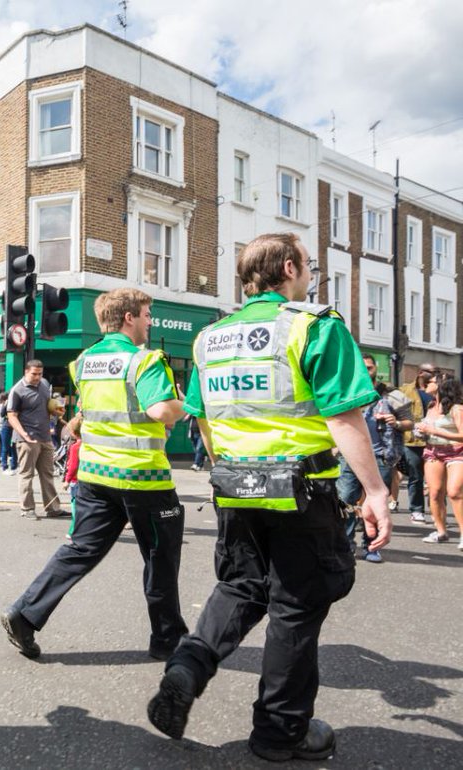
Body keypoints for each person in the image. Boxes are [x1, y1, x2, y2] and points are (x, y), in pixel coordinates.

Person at [147, 232, 391, 762]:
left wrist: (226, 469)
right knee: (296, 606)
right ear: (288, 268)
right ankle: (281, 732)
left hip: (235, 488)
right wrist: (375, 490)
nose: (310, 275)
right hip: (302, 491)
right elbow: (344, 416)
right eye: (308, 265)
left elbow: (204, 420)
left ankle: (187, 667)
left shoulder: (208, 339)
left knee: (240, 586)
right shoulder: (314, 327)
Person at [1, 288, 187, 663]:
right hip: (143, 479)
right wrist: (188, 402)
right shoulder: (145, 361)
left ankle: (24, 614)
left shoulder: (83, 362)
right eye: (147, 315)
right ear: (129, 317)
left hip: (95, 476)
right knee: (160, 559)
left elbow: (87, 415)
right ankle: (168, 640)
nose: (150, 322)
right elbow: (162, 412)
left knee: (79, 551)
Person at [337, 356, 411, 564]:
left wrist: (395, 422)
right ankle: (346, 545)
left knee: (376, 501)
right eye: (362, 366)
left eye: (369, 367)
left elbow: (410, 423)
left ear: (375, 369)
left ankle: (372, 545)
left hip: (381, 455)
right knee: (345, 500)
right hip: (349, 455)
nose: (366, 370)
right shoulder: (347, 391)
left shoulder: (392, 395)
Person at [6, 360, 66, 517]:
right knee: (27, 474)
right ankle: (27, 509)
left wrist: (57, 411)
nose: (37, 377)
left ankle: (53, 509)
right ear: (26, 372)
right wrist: (23, 434)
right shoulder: (17, 390)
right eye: (34, 374)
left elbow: (48, 405)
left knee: (48, 474)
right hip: (27, 439)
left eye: (40, 374)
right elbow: (12, 416)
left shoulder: (45, 384)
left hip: (45, 437)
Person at [417, 373, 463, 545]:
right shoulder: (431, 406)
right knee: (435, 493)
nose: (426, 383)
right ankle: (441, 531)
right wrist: (421, 432)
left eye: (430, 381)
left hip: (457, 452)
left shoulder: (457, 408)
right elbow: (429, 430)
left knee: (454, 492)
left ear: (442, 385)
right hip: (433, 451)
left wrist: (434, 431)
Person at [400, 363, 435, 523]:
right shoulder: (405, 390)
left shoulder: (437, 391)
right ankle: (416, 510)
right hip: (411, 441)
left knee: (435, 479)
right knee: (415, 476)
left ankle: (436, 511)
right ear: (421, 373)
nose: (435, 375)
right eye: (432, 372)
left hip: (433, 441)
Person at [0, 391, 18, 475]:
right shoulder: (9, 403)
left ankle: (11, 467)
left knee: (11, 446)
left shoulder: (15, 402)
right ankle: (7, 467)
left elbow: (2, 414)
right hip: (9, 427)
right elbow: (1, 414)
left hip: (12, 427)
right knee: (8, 447)